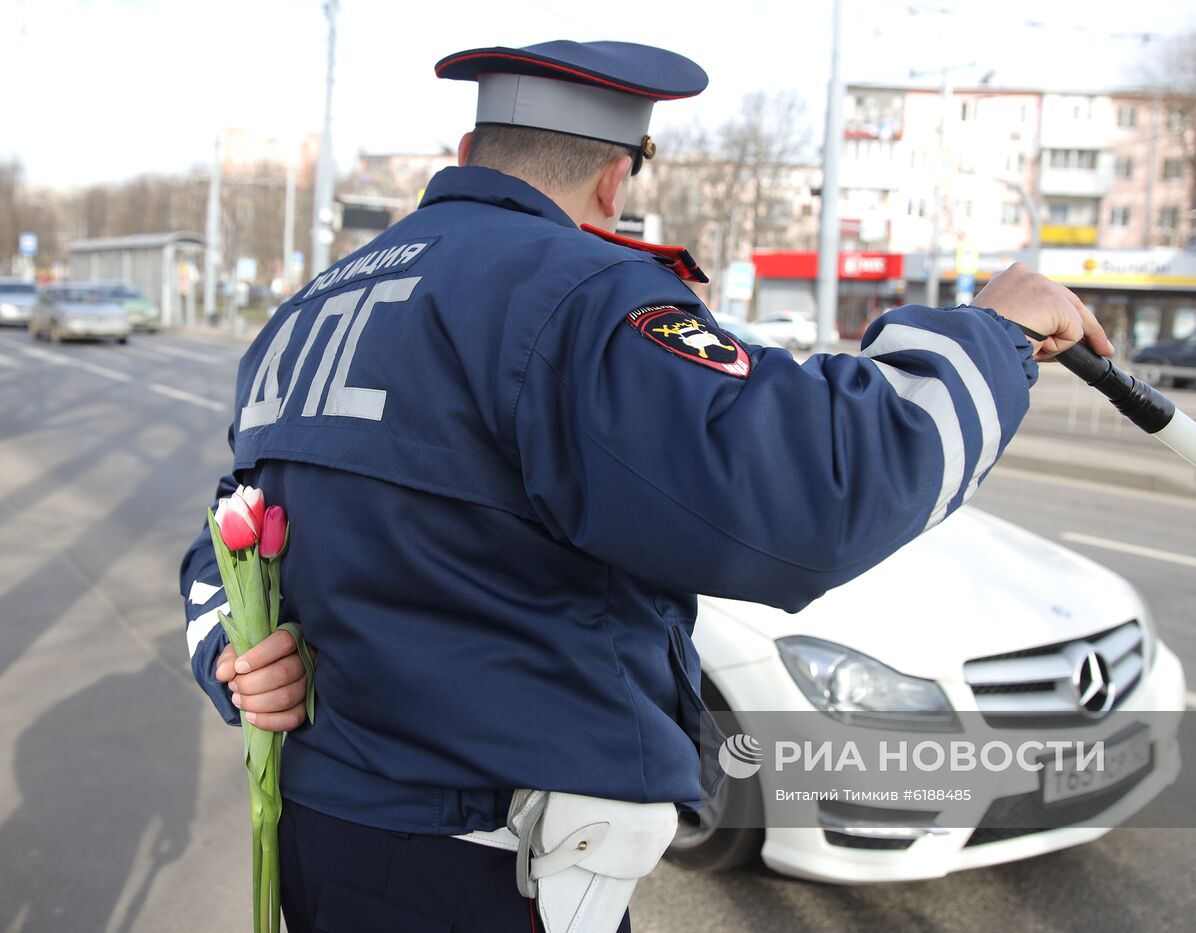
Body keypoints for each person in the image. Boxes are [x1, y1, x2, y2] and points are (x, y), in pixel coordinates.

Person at [179, 39, 1112, 933]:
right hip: (485, 867)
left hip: (323, 834)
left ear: (465, 157)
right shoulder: (575, 291)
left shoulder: (307, 309)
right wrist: (991, 334)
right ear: (614, 178)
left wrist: (235, 652)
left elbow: (230, 533)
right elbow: (815, 492)